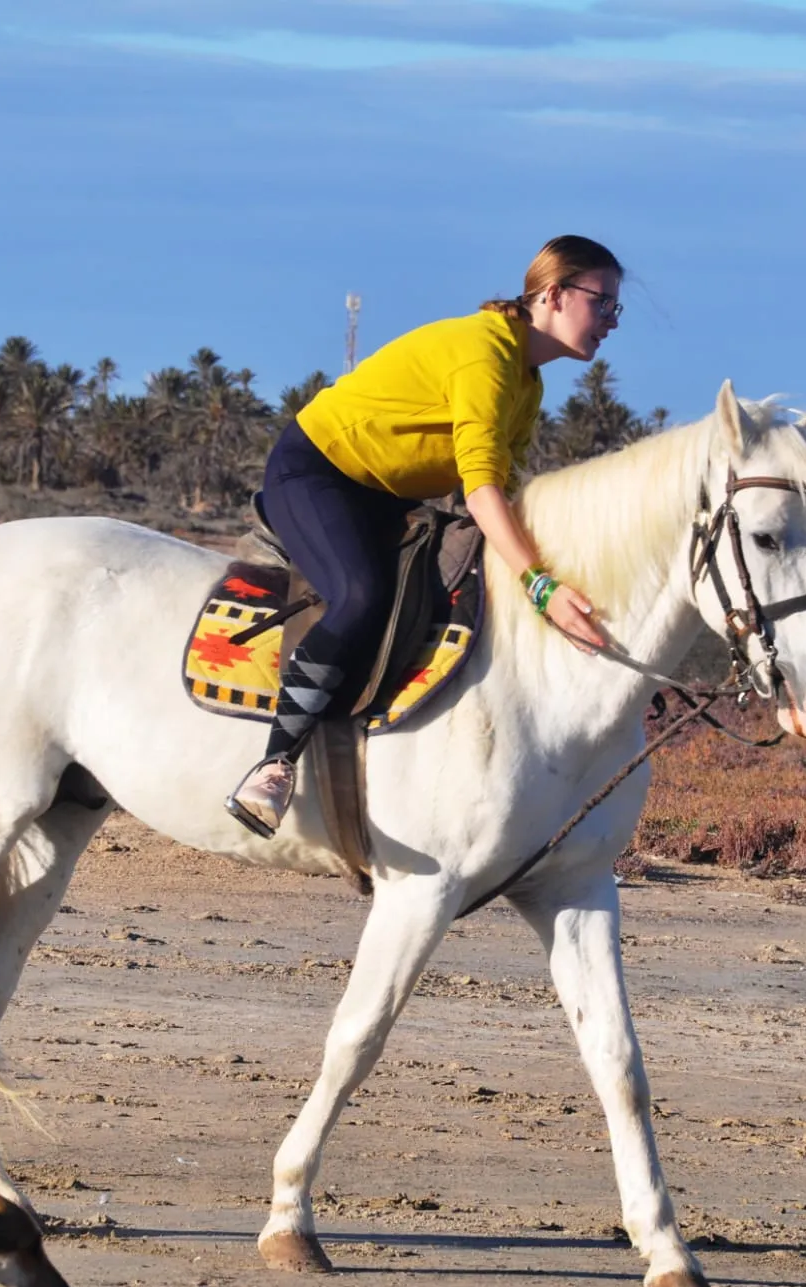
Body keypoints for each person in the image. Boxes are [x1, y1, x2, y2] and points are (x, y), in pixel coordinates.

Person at [225, 234, 617, 839]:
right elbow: (481, 489)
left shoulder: (528, 380)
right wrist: (540, 586)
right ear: (554, 294)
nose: (612, 320)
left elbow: (503, 490)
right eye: (602, 302)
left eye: (617, 307)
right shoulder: (486, 353)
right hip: (317, 471)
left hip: (385, 495)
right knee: (361, 596)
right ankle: (273, 765)